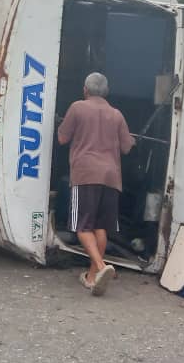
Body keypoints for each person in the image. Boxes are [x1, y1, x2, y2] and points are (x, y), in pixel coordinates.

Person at [56, 72, 134, 295]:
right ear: (107, 92)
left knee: (82, 226)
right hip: (111, 176)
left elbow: (62, 138)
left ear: (85, 90)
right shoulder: (117, 114)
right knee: (100, 226)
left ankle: (100, 266)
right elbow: (127, 147)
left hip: (86, 174)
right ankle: (92, 278)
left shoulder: (78, 108)